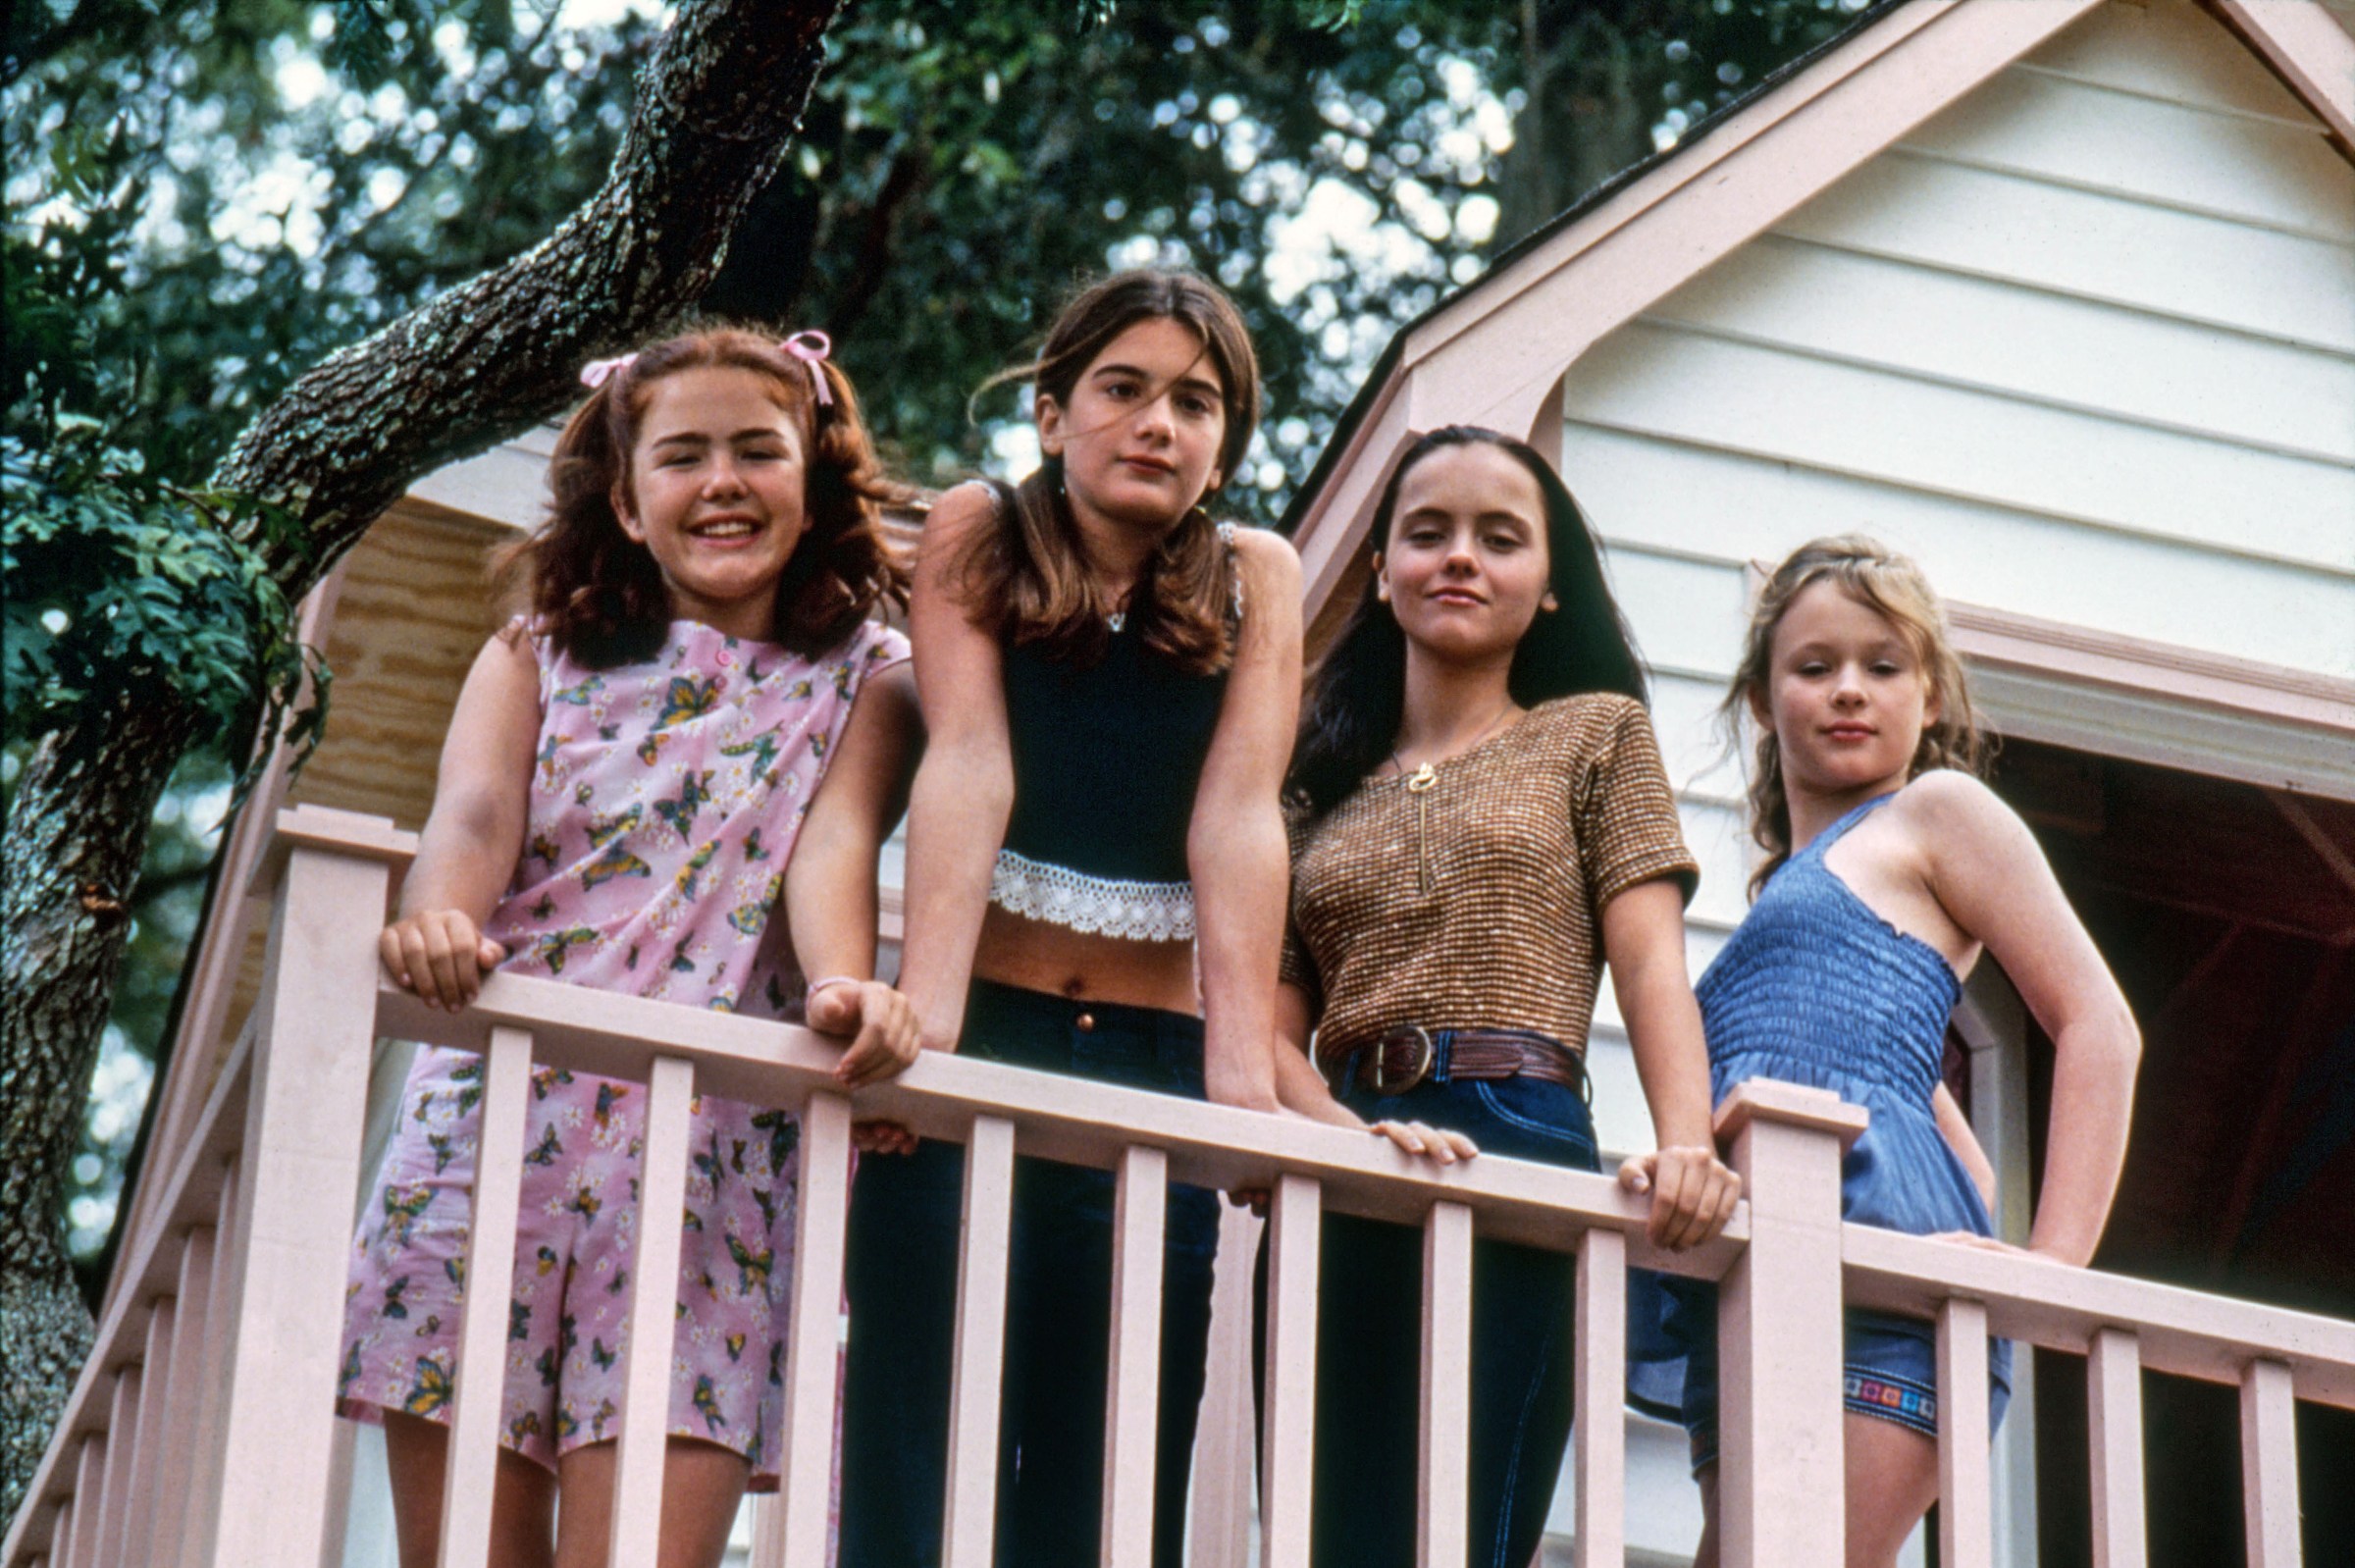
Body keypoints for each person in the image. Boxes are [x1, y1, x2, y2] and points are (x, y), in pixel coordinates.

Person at [338, 326, 923, 1568]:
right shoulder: (534, 653)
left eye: (758, 450)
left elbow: (834, 845)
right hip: (495, 1134)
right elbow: (477, 817)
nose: (722, 480)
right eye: (683, 456)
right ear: (627, 497)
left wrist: (840, 983)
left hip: (709, 1165)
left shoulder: (866, 673)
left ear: (811, 478)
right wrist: (441, 908)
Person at [837, 269, 1301, 1568]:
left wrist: (1235, 1082)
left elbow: (1239, 816)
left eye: (1197, 402)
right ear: (1052, 414)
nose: (1160, 421)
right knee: (919, 1458)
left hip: (1146, 1074)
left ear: (1225, 445)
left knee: (1110, 1492)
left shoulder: (1256, 576)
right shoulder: (982, 528)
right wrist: (923, 1034)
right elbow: (969, 762)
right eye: (1125, 388)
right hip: (984, 1033)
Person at [1265, 425, 1741, 1568]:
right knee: (1334, 1533)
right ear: (1380, 572)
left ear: (1547, 586)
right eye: (1426, 534)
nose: (1460, 558)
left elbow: (1651, 964)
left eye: (1500, 538)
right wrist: (1345, 1130)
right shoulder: (1310, 783)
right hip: (1343, 1143)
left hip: (1516, 1132)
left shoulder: (1594, 735)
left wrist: (1688, 1142)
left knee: (1464, 1531)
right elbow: (1266, 1029)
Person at [1665, 535, 2140, 1568]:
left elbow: (2100, 1024)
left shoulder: (1937, 812)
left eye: (1884, 666)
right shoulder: (1774, 900)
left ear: (1928, 697)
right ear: (1761, 698)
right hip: (1752, 1278)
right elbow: (1913, 1091)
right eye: (1814, 664)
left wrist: (2047, 1271)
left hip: (1877, 1291)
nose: (1849, 690)